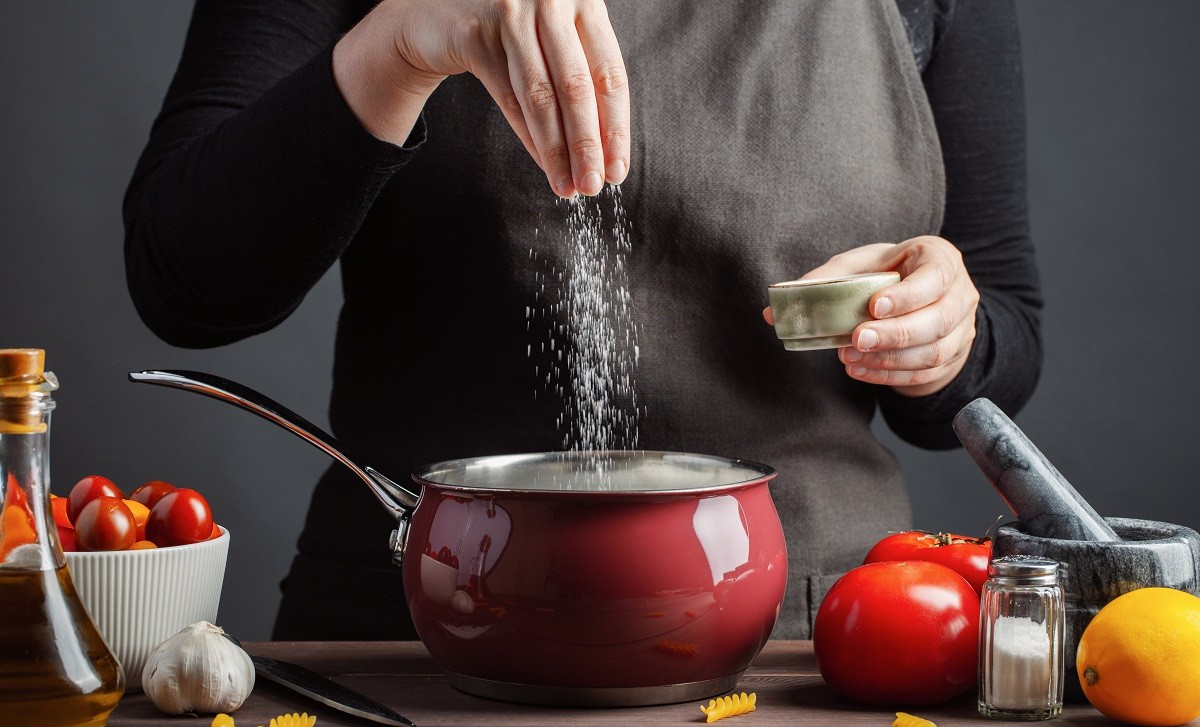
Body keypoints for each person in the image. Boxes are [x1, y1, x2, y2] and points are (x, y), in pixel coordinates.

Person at [124, 0, 1041, 640]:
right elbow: (186, 285)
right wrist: (399, 43)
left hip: (809, 645)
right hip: (417, 643)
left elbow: (1005, 330)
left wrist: (941, 331)